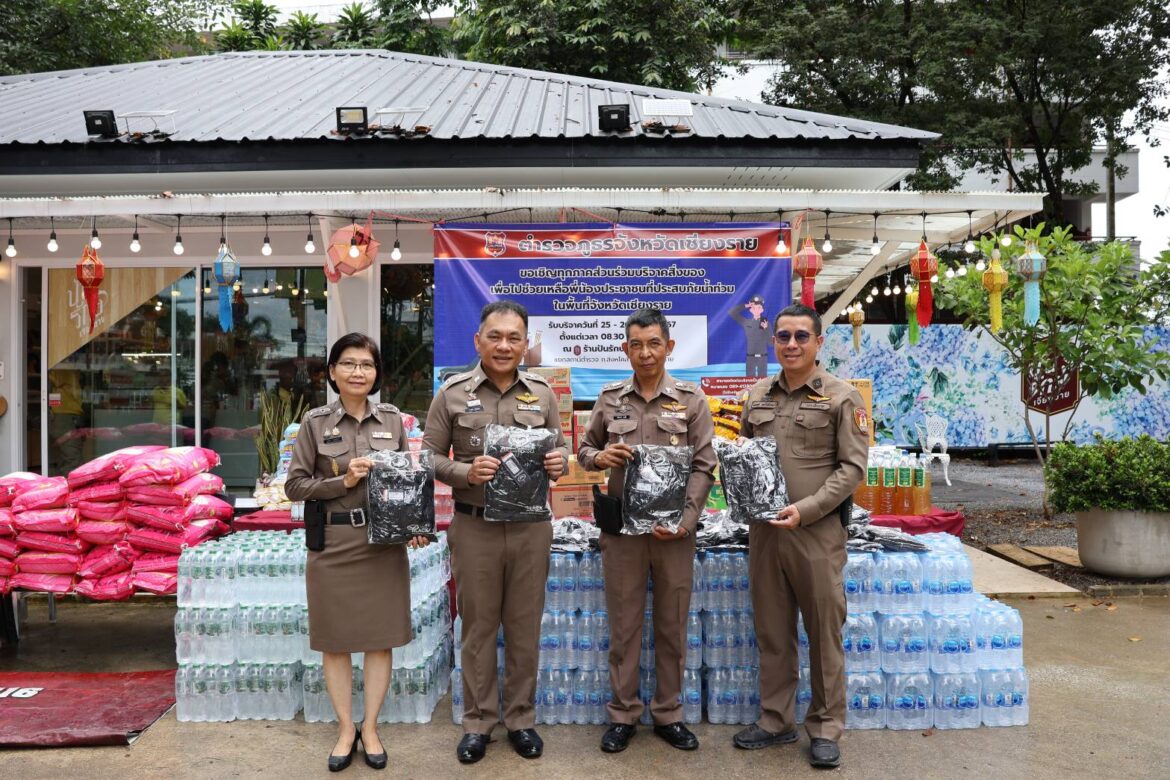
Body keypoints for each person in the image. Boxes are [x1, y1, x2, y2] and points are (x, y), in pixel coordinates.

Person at [422, 300, 568, 765]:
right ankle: (478, 722)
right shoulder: (451, 393)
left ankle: (521, 719)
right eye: (495, 336)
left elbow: (560, 452)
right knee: (479, 628)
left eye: (514, 338)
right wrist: (466, 471)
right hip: (475, 526)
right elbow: (428, 457)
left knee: (524, 628)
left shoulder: (543, 394)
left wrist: (559, 463)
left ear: (526, 344)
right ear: (478, 341)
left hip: (530, 529)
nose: (504, 345)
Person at [285, 332, 431, 773]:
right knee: (336, 642)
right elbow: (294, 486)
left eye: (366, 365)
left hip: (383, 545)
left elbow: (407, 483)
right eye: (348, 364)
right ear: (332, 371)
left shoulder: (391, 422)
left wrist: (413, 527)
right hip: (333, 545)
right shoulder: (314, 423)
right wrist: (342, 482)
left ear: (376, 373)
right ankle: (345, 727)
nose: (358, 372)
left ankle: (371, 727)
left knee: (379, 640)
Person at [732, 303, 867, 769]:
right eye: (784, 337)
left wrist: (806, 509)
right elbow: (745, 456)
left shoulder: (841, 397)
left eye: (801, 337)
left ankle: (826, 727)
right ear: (774, 342)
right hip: (766, 534)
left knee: (823, 632)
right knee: (772, 630)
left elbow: (852, 470)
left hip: (816, 534)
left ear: (818, 343)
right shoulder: (756, 396)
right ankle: (775, 720)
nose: (791, 345)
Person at [577, 308, 716, 754]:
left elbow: (704, 464)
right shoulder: (610, 398)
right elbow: (583, 449)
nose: (645, 352)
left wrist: (687, 521)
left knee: (673, 625)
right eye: (636, 344)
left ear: (669, 347)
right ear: (625, 349)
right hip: (622, 533)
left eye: (654, 343)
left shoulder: (691, 399)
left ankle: (669, 713)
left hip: (674, 533)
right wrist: (600, 459)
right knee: (625, 625)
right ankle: (623, 714)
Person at [730, 295, 771, 378]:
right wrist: (746, 305)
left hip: (762, 357)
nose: (756, 310)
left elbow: (771, 343)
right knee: (749, 381)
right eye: (754, 308)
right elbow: (732, 312)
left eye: (759, 307)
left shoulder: (766, 324)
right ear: (751, 310)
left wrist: (766, 329)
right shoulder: (746, 322)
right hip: (750, 357)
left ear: (762, 310)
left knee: (763, 383)